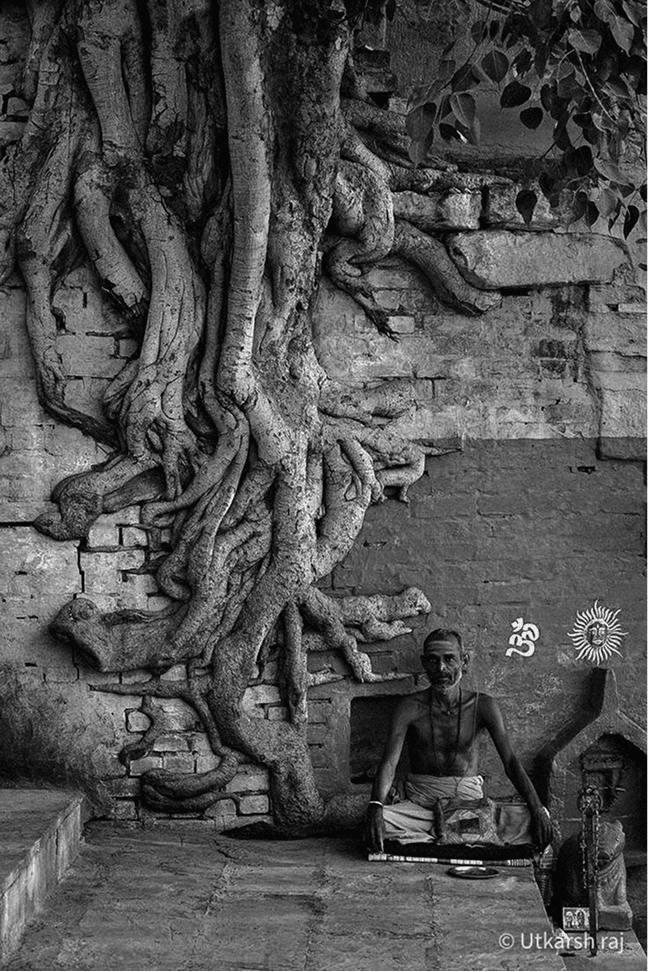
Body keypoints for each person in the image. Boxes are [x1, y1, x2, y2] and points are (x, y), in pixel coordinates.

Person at [365, 628, 553, 852]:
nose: (441, 668)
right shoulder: (409, 707)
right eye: (433, 660)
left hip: (469, 805)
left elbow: (511, 762)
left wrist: (537, 807)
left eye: (449, 659)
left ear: (464, 661)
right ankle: (462, 838)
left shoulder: (483, 705)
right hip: (421, 804)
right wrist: (376, 806)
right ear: (424, 663)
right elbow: (389, 764)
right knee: (379, 822)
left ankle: (438, 838)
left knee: (535, 820)